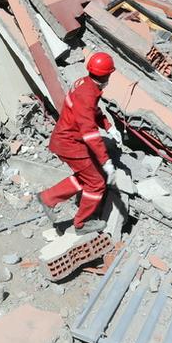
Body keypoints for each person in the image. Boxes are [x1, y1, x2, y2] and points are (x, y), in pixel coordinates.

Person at [37, 52, 122, 235]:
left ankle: (48, 198)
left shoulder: (86, 84)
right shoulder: (88, 93)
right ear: (107, 75)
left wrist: (108, 127)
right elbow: (89, 132)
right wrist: (106, 161)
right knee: (97, 182)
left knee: (87, 177)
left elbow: (93, 111)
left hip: (65, 139)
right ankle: (81, 223)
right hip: (71, 144)